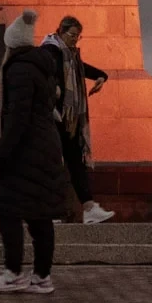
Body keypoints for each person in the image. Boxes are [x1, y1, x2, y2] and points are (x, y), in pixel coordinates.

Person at [0, 9, 66, 294]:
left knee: (7, 209)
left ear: (11, 44)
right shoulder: (40, 67)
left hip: (25, 151)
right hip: (44, 148)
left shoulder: (19, 69)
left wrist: (2, 155)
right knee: (39, 215)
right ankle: (42, 276)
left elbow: (18, 116)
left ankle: (13, 273)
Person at [44, 16, 113, 224]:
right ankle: (52, 211)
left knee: (75, 162)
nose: (75, 40)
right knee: (55, 164)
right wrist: (53, 97)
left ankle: (89, 207)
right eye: (72, 35)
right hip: (55, 116)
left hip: (70, 119)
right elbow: (47, 74)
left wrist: (102, 76)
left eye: (78, 36)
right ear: (61, 32)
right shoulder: (51, 50)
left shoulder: (70, 56)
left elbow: (82, 68)